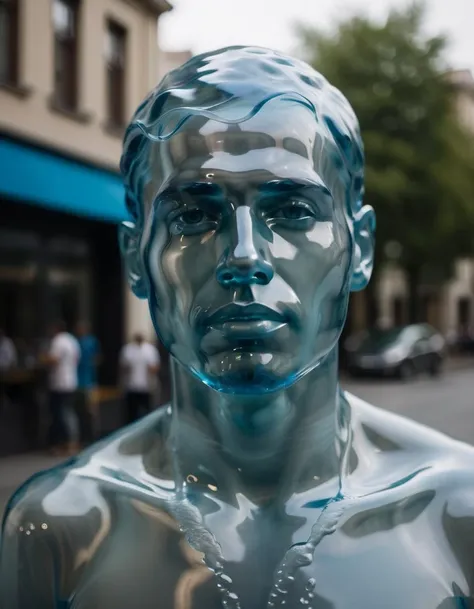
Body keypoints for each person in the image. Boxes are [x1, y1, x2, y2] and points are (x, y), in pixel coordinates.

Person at [1, 47, 474, 608]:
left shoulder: (457, 508)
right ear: (134, 257)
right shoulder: (61, 525)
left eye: (294, 210)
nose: (244, 256)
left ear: (360, 248)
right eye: (193, 216)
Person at [43, 321, 80, 456]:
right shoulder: (72, 341)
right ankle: (71, 442)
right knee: (68, 412)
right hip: (70, 381)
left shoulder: (58, 341)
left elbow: (54, 360)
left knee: (61, 414)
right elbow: (76, 359)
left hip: (60, 383)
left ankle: (64, 443)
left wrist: (43, 358)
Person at [119, 333, 160, 424]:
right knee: (131, 413)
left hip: (146, 387)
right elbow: (123, 367)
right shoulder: (128, 349)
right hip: (132, 387)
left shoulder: (150, 350)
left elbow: (155, 367)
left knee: (147, 411)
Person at [75, 321, 101, 446]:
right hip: (79, 382)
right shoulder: (76, 343)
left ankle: (90, 437)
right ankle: (84, 437)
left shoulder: (89, 342)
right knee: (82, 411)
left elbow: (96, 358)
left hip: (88, 382)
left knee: (90, 411)